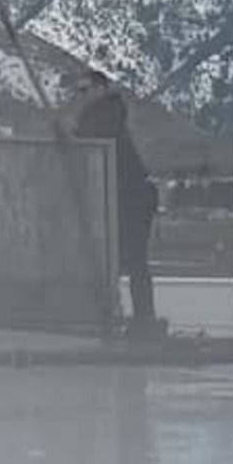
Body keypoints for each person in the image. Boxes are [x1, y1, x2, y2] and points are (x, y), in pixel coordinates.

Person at [64, 68, 162, 336]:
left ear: (101, 89)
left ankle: (143, 318)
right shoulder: (100, 114)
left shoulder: (108, 113)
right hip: (121, 196)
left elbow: (97, 134)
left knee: (134, 259)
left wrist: (72, 129)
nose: (81, 96)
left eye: (85, 90)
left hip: (133, 196)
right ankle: (121, 313)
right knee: (116, 260)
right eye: (78, 91)